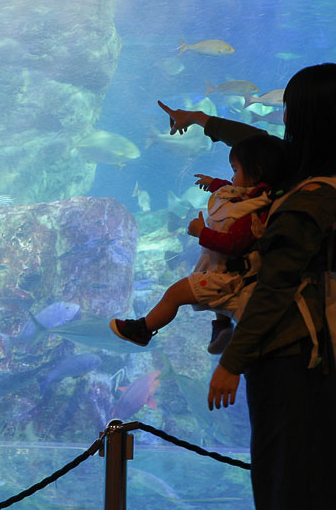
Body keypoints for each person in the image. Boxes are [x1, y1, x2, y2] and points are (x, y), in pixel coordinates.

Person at [160, 63, 336, 510]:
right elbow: (257, 140)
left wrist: (232, 361)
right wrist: (201, 120)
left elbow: (276, 285)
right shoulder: (331, 175)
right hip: (316, 342)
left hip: (289, 351)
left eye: (291, 109)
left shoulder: (310, 197)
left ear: (309, 116)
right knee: (312, 472)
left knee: (291, 483)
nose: (283, 117)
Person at [109, 132, 285, 352]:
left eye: (235, 170)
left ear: (256, 172)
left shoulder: (250, 213)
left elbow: (234, 245)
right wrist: (213, 184)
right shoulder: (257, 196)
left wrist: (201, 232)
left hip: (229, 277)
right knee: (218, 298)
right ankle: (221, 328)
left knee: (175, 294)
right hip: (227, 275)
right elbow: (233, 191)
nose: (231, 177)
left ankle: (143, 329)